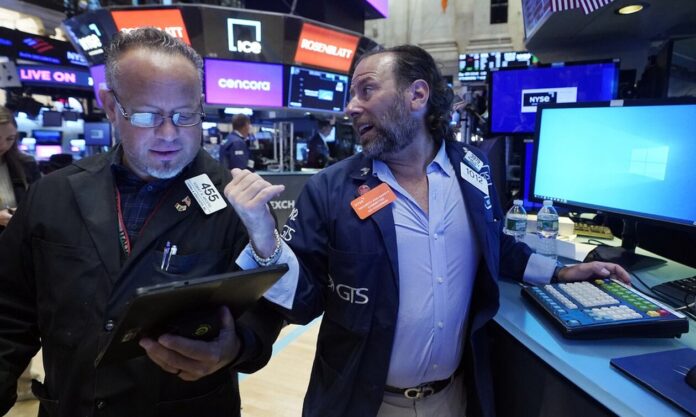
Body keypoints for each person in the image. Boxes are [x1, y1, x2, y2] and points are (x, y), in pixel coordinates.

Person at [276, 45, 631, 417]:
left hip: (453, 398)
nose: (351, 107)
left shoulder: (473, 168)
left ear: (417, 95)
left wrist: (559, 273)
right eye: (352, 95)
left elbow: (496, 243)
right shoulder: (331, 188)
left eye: (366, 90)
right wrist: (265, 247)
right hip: (363, 403)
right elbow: (301, 299)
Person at [0, 28, 297, 417]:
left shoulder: (236, 202)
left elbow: (270, 307)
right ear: (111, 106)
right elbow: (9, 313)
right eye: (147, 115)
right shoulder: (52, 195)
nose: (169, 134)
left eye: (185, 115)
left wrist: (235, 347)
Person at [0, 106, 40, 233]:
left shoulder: (26, 164)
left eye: (10, 139)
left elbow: (40, 203)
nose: (3, 145)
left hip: (18, 239)